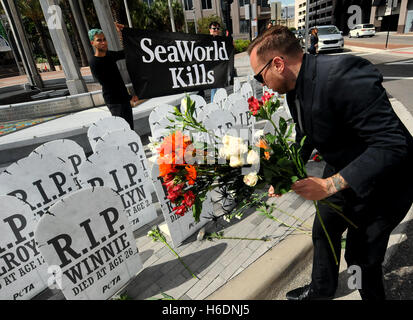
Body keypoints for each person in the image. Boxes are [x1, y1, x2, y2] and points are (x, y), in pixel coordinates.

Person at [248, 25, 413, 300]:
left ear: (278, 63)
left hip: (387, 181)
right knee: (324, 228)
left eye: (259, 76)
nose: (261, 84)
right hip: (343, 164)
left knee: (360, 258)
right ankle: (321, 290)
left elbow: (392, 144)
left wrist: (329, 184)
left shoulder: (344, 75)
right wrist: (284, 175)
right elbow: (305, 134)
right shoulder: (293, 88)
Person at [88, 23, 138, 130]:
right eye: (99, 40)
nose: (103, 42)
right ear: (93, 43)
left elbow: (126, 52)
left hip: (124, 99)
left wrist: (122, 33)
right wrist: (130, 97)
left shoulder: (109, 55)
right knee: (122, 129)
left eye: (104, 39)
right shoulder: (94, 62)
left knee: (130, 129)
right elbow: (111, 84)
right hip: (114, 102)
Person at [209, 21, 222, 102]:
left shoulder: (222, 40)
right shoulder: (206, 40)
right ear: (210, 30)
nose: (216, 30)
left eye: (217, 28)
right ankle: (213, 105)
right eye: (214, 28)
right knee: (214, 89)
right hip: (211, 68)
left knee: (221, 88)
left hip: (221, 68)